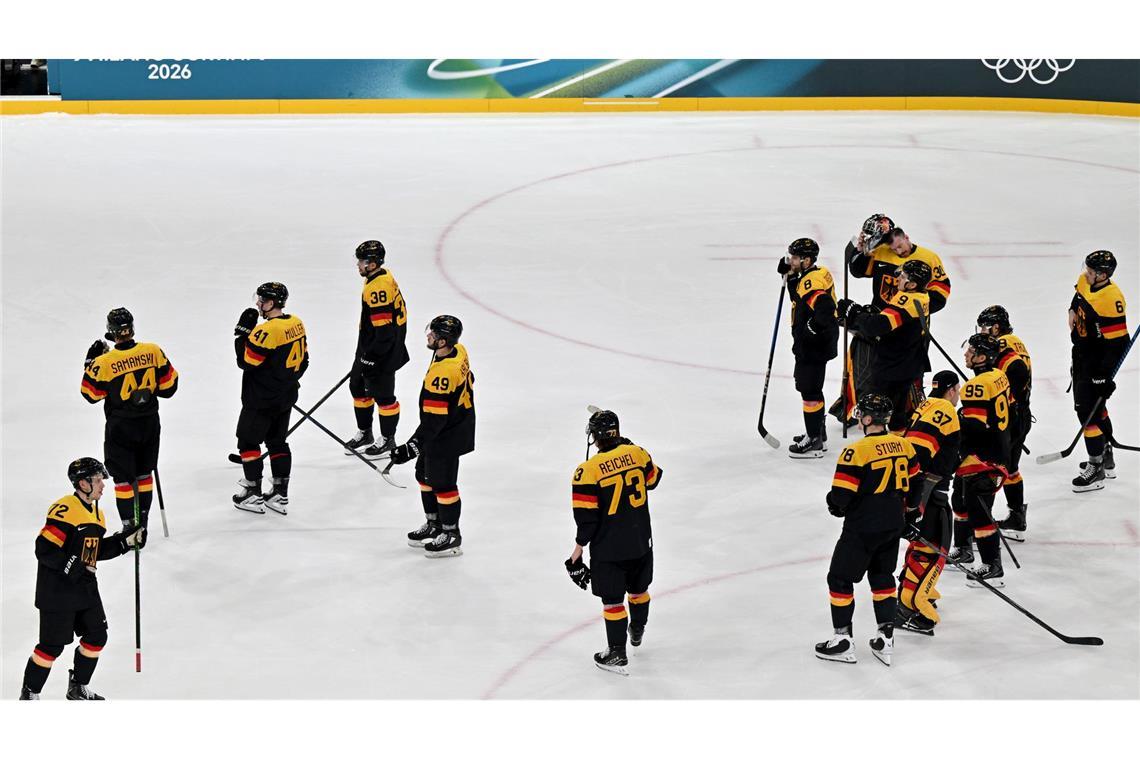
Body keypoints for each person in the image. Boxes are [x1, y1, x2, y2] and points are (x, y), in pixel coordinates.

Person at [19, 458, 145, 700]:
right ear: (82, 483)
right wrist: (71, 567)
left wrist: (124, 542)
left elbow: (92, 552)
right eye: (97, 480)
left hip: (85, 588)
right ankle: (30, 694)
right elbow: (44, 549)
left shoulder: (98, 515)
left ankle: (78, 687)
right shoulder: (65, 508)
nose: (102, 485)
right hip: (57, 591)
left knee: (97, 636)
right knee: (51, 647)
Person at [817, 393, 917, 667]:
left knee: (839, 579)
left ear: (869, 419)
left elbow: (841, 496)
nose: (858, 418)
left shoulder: (857, 451)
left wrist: (834, 506)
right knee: (883, 577)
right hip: (892, 525)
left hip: (862, 528)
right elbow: (916, 485)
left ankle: (842, 640)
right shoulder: (904, 445)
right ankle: (885, 638)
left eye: (861, 414)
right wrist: (909, 515)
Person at [565, 410, 663, 676]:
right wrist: (628, 449)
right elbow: (653, 479)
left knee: (612, 601)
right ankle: (638, 628)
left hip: (609, 549)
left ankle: (617, 652)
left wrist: (576, 553)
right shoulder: (639, 453)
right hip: (641, 541)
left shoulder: (587, 471)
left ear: (595, 437)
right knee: (639, 590)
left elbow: (587, 521)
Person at [831, 218, 952, 423]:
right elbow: (858, 270)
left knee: (908, 374)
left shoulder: (928, 258)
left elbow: (941, 292)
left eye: (900, 246)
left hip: (908, 327)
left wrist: (913, 309)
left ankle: (906, 413)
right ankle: (860, 406)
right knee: (868, 366)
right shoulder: (882, 251)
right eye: (893, 248)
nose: (898, 251)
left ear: (907, 237)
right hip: (880, 320)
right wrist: (861, 250)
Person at [81, 307, 179, 544]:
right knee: (145, 474)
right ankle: (143, 523)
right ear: (132, 328)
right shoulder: (153, 351)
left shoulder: (104, 362)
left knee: (124, 479)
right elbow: (169, 388)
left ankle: (129, 528)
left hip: (121, 428)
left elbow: (90, 394)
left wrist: (90, 362)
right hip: (149, 425)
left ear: (111, 332)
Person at [388, 315, 475, 557]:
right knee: (424, 475)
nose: (428, 336)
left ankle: (451, 534)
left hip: (449, 433)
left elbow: (435, 420)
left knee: (443, 484)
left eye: (434, 335)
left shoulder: (444, 373)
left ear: (444, 340)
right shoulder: (457, 350)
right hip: (449, 426)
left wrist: (411, 447)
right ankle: (434, 524)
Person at [232, 282, 309, 514]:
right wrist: (285, 383)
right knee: (277, 442)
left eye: (262, 300)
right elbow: (304, 361)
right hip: (285, 397)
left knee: (247, 442)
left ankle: (253, 493)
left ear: (272, 303)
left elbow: (245, 361)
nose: (258, 304)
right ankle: (279, 494)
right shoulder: (296, 323)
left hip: (261, 400)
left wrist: (241, 334)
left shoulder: (266, 331)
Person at [896, 370, 961, 635]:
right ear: (952, 390)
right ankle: (908, 606)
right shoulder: (945, 409)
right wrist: (915, 504)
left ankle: (912, 591)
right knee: (934, 547)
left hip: (921, 488)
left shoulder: (926, 404)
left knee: (923, 542)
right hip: (928, 490)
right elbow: (919, 453)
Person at [837, 259, 932, 432]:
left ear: (912, 285)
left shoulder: (907, 300)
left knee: (875, 411)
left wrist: (856, 313)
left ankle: (878, 448)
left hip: (893, 367)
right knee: (898, 412)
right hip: (909, 363)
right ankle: (898, 444)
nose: (899, 279)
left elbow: (876, 327)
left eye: (903, 277)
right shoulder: (922, 296)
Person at [949, 333, 1012, 587]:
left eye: (972, 351)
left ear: (983, 357)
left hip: (981, 458)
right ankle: (963, 548)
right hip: (995, 451)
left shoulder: (976, 387)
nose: (966, 354)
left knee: (979, 510)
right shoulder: (998, 376)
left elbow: (973, 429)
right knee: (961, 500)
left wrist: (956, 426)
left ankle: (991, 565)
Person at [1069, 250, 1129, 492]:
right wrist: (1071, 312)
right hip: (1082, 353)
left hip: (1096, 361)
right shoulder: (1086, 280)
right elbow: (1077, 299)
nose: (1087, 273)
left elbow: (1119, 343)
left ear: (1103, 275)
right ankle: (1105, 454)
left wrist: (1104, 376)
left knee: (1087, 413)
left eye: (1092, 271)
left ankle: (1097, 467)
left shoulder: (1111, 299)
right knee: (1098, 408)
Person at [344, 240, 410, 459]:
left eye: (361, 262)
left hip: (383, 350)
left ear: (372, 264)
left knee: (383, 396)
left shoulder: (377, 288)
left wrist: (371, 358)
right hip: (370, 346)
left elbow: (385, 333)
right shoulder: (380, 276)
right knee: (358, 386)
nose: (358, 266)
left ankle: (388, 439)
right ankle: (365, 433)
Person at [776, 237, 839, 457]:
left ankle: (814, 441)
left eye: (795, 258)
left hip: (815, 344)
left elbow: (825, 308)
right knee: (811, 387)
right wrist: (790, 273)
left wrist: (811, 329)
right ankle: (817, 431)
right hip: (817, 342)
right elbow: (800, 295)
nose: (790, 260)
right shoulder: (813, 273)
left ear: (807, 260)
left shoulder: (812, 282)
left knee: (809, 390)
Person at [976, 306, 1033, 539]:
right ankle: (1017, 516)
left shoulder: (1002, 347)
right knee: (1011, 468)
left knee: (992, 466)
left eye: (984, 326)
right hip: (1020, 413)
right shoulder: (1016, 341)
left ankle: (981, 523)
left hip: (1008, 417)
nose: (982, 331)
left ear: (996, 327)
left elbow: (1008, 380)